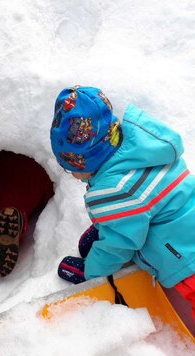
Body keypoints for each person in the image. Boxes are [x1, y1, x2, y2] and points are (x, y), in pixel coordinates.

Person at [50, 85, 195, 320]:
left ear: (86, 162)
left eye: (70, 169)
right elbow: (139, 208)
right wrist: (106, 225)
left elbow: (118, 246)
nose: (71, 175)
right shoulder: (143, 150)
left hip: (188, 259)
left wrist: (92, 274)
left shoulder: (115, 191)